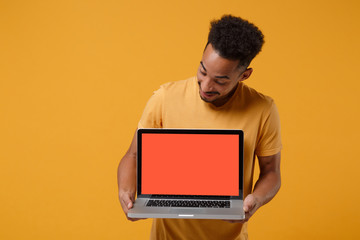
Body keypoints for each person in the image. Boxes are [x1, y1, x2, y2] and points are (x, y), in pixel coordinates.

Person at [117, 15, 282, 240]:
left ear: (244, 75)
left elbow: (271, 172)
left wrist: (256, 200)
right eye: (203, 71)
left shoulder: (263, 109)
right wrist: (126, 192)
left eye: (220, 81)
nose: (205, 86)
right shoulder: (165, 98)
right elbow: (134, 154)